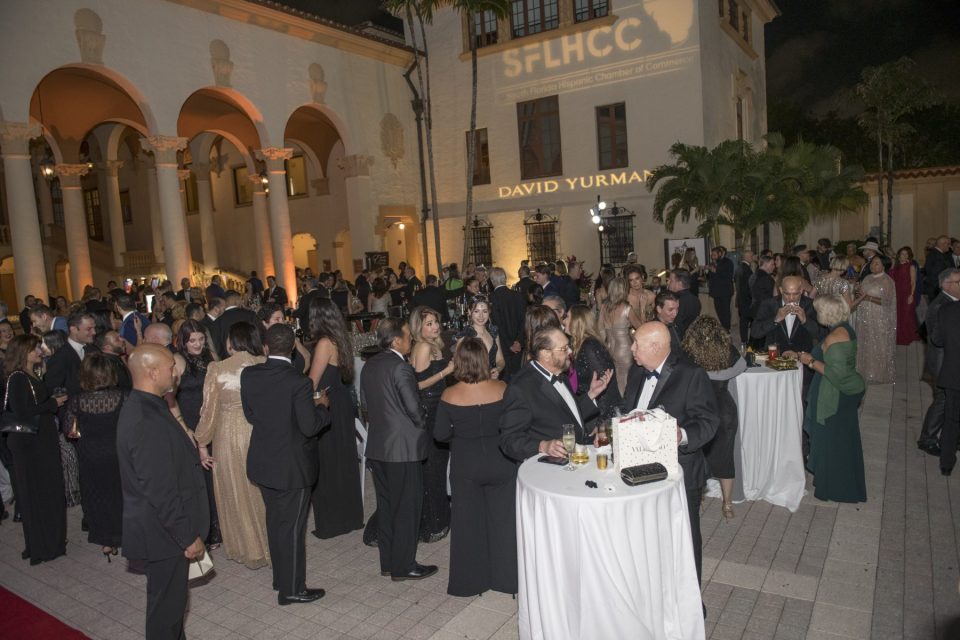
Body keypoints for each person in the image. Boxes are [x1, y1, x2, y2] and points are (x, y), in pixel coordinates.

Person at [117, 344, 208, 639]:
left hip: (161, 528)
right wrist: (186, 535)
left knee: (172, 606)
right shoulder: (144, 418)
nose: (175, 374)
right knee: (166, 611)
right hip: (162, 532)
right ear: (153, 372)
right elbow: (160, 488)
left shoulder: (149, 405)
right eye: (171, 368)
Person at [620, 322, 719, 583]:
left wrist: (681, 435)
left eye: (637, 344)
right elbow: (628, 410)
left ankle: (691, 598)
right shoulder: (637, 372)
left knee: (684, 537)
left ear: (655, 347)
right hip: (640, 469)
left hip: (680, 471)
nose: (632, 349)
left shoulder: (692, 374)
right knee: (647, 537)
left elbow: (709, 422)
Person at [242, 324, 330, 604]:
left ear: (265, 347)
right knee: (292, 528)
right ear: (293, 348)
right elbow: (309, 427)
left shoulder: (249, 374)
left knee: (275, 521)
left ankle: (281, 578)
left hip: (263, 461)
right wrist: (322, 406)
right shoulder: (299, 382)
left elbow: (251, 415)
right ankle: (292, 590)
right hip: (293, 466)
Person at [434, 338, 516, 597]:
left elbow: (439, 434)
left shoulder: (449, 395)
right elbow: (513, 425)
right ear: (484, 360)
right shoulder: (502, 388)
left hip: (466, 465)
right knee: (504, 522)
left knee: (467, 525)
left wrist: (460, 434)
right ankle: (508, 580)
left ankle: (471, 582)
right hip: (501, 462)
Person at [361, 318, 438, 581]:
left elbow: (365, 405)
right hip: (403, 449)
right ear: (396, 341)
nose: (411, 339)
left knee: (386, 507)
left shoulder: (369, 365)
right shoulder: (401, 367)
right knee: (407, 507)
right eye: (407, 336)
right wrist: (423, 419)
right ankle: (404, 566)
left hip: (378, 446)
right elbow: (414, 408)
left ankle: (388, 563)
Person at [194, 322, 270, 569]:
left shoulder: (218, 369)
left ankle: (247, 547)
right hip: (261, 431)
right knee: (262, 489)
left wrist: (202, 442)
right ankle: (271, 543)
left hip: (228, 435)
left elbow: (209, 410)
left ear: (231, 342)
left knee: (236, 490)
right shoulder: (264, 363)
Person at [500, 327, 612, 461]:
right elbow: (509, 439)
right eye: (564, 349)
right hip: (549, 467)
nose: (570, 352)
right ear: (546, 354)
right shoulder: (521, 387)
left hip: (577, 457)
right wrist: (542, 446)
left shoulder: (560, 373)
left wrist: (591, 394)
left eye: (568, 346)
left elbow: (566, 414)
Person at [4, 335, 68, 564]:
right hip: (31, 444)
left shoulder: (31, 374)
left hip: (40, 440)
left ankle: (49, 541)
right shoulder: (18, 378)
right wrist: (53, 403)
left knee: (46, 491)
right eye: (35, 348)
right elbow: (22, 411)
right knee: (39, 493)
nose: (40, 351)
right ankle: (44, 544)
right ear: (24, 352)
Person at [798, 296, 867, 501]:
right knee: (843, 440)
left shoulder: (835, 338)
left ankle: (833, 488)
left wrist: (810, 361)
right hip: (841, 393)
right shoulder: (845, 328)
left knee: (830, 441)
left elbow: (836, 374)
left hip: (834, 395)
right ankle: (841, 483)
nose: (817, 313)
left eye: (819, 310)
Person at [305, 298, 364, 540]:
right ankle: (350, 517)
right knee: (344, 460)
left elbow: (312, 382)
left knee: (327, 463)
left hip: (326, 403)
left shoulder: (324, 343)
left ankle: (331, 523)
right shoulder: (340, 338)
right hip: (341, 402)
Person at [681, 317, 745, 519]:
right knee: (726, 458)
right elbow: (742, 365)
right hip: (724, 410)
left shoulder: (688, 352)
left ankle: (698, 500)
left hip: (698, 410)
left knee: (697, 457)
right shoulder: (727, 349)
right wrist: (720, 375)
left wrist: (704, 375)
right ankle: (727, 505)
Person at [64, 352, 125, 560]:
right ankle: (123, 533)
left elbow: (69, 431)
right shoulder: (123, 397)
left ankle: (106, 541)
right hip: (118, 454)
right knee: (119, 494)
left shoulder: (77, 401)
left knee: (96, 497)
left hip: (90, 455)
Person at [172, 319, 220, 548]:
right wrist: (185, 428)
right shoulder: (177, 360)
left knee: (215, 476)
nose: (198, 344)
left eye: (201, 339)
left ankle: (219, 527)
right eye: (192, 340)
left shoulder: (211, 356)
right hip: (190, 423)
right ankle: (204, 532)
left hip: (212, 421)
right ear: (183, 341)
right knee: (199, 482)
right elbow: (169, 399)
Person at [409, 306, 454, 542]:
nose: (435, 327)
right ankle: (432, 520)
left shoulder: (433, 344)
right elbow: (417, 385)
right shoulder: (423, 346)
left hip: (438, 407)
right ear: (419, 327)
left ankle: (438, 516)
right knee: (433, 466)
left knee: (438, 464)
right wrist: (446, 371)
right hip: (429, 410)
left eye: (436, 322)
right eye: (429, 323)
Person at [917, 269, 960, 456]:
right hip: (944, 364)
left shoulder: (951, 302)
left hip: (950, 362)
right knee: (943, 401)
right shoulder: (940, 306)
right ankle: (927, 439)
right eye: (958, 282)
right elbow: (938, 339)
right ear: (946, 285)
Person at [565, 305, 621, 427]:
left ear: (577, 320)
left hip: (600, 414)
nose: (564, 321)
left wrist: (601, 423)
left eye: (567, 317)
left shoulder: (590, 346)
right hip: (589, 408)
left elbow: (605, 386)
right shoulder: (578, 345)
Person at [853, 256, 897, 384]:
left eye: (877, 263)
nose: (873, 265)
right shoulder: (867, 277)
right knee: (865, 341)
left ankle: (878, 373)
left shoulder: (887, 280)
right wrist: (857, 292)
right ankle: (865, 369)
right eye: (872, 263)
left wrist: (868, 298)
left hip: (879, 316)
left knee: (878, 342)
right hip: (865, 316)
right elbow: (861, 294)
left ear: (884, 266)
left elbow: (887, 301)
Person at [752, 276, 821, 356]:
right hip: (775, 357)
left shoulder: (811, 305)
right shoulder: (769, 304)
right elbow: (755, 332)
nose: (791, 298)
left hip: (802, 357)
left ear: (801, 290)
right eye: (787, 294)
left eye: (795, 294)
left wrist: (805, 321)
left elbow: (821, 334)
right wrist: (775, 320)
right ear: (781, 290)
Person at [599, 277, 641, 396]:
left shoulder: (604, 307)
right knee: (628, 380)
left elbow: (600, 329)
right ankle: (628, 404)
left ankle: (621, 403)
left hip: (609, 348)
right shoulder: (627, 308)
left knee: (618, 380)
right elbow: (641, 328)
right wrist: (642, 308)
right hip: (625, 349)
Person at [46, 311, 97, 396]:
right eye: (89, 329)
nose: (94, 332)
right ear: (73, 329)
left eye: (94, 328)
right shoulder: (59, 358)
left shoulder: (94, 350)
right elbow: (54, 391)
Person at [489, 267, 525, 380]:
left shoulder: (492, 298)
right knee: (519, 377)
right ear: (505, 279)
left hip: (502, 345)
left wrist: (510, 344)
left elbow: (497, 324)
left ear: (492, 281)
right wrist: (518, 341)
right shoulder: (518, 296)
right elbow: (524, 320)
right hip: (518, 345)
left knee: (504, 379)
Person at [456, 296, 505, 379]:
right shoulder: (464, 336)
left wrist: (498, 369)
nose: (481, 316)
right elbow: (458, 365)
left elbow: (500, 360)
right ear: (469, 312)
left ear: (489, 312)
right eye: (476, 311)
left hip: (493, 381)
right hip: (472, 382)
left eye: (485, 311)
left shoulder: (493, 332)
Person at [937, 299, 960, 476]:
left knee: (951, 419)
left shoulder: (947, 310)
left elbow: (936, 339)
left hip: (954, 375)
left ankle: (946, 464)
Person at [214, 290, 259, 359]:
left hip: (229, 360)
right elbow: (257, 336)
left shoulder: (217, 321)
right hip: (251, 357)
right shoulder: (250, 315)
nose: (242, 302)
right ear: (237, 300)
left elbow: (217, 346)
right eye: (241, 299)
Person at [890, 247, 920, 345]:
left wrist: (911, 295)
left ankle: (907, 336)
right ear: (899, 255)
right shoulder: (896, 266)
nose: (904, 256)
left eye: (906, 254)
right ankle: (898, 335)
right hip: (896, 294)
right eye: (902, 254)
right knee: (898, 315)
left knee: (906, 315)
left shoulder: (911, 266)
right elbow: (891, 278)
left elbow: (913, 282)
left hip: (907, 293)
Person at [706, 246, 735, 330]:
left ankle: (727, 328)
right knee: (718, 311)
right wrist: (706, 272)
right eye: (712, 255)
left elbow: (727, 275)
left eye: (714, 255)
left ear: (720, 254)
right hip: (716, 292)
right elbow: (710, 277)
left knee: (725, 311)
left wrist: (715, 270)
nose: (712, 256)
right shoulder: (712, 263)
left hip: (725, 291)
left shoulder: (728, 262)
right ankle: (723, 326)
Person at [667, 268, 701, 340]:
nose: (668, 282)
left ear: (679, 284)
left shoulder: (676, 301)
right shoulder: (695, 299)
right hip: (692, 339)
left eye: (671, 280)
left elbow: (675, 325)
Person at [924, 235, 953, 300]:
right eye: (948, 244)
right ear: (943, 244)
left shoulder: (939, 254)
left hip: (938, 289)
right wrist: (943, 288)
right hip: (936, 290)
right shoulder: (936, 255)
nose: (949, 246)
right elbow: (934, 275)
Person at [735, 250, 755, 346]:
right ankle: (746, 341)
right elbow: (749, 287)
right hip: (747, 300)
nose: (753, 258)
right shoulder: (746, 269)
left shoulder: (739, 268)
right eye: (751, 256)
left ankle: (744, 341)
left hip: (741, 299)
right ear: (746, 257)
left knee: (743, 321)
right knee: (746, 321)